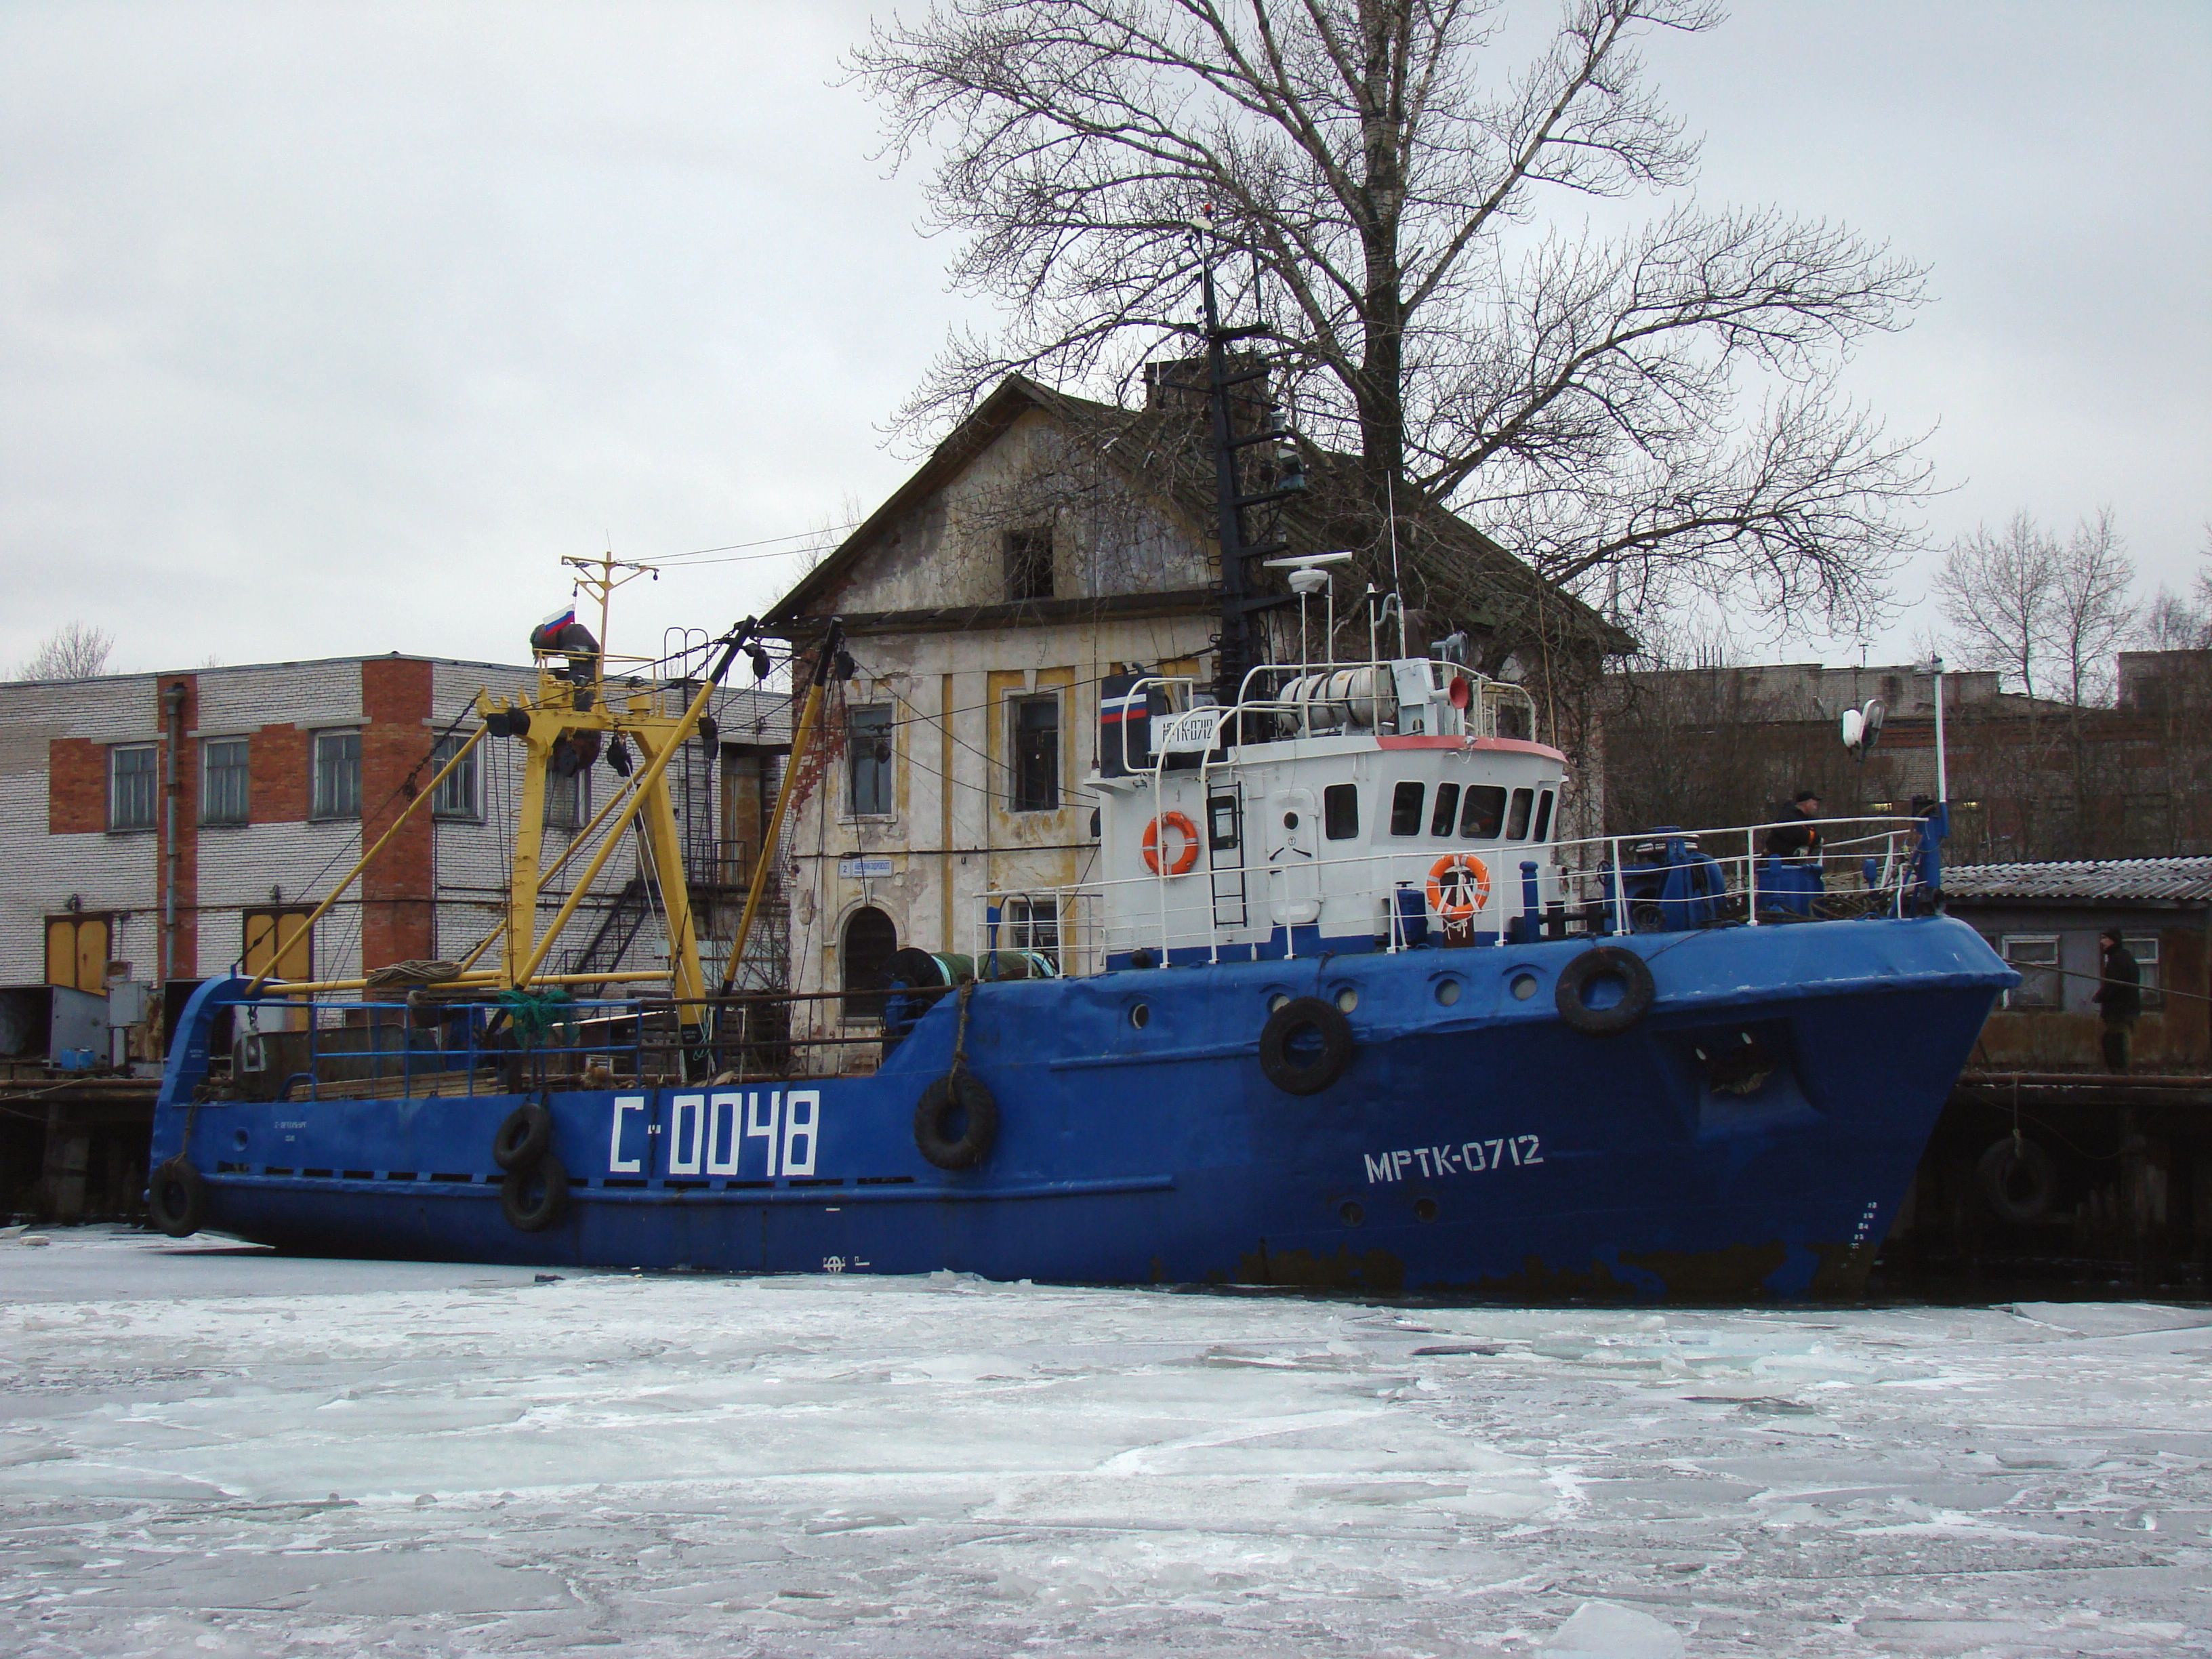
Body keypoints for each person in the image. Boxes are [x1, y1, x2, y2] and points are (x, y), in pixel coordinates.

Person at [2093, 928, 2142, 1073]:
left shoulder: (2118, 959)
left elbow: (2114, 984)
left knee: (2115, 1043)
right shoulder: (2126, 957)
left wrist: (2100, 996)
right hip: (2127, 1010)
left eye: (2105, 938)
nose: (2102, 942)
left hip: (2119, 1012)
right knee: (2115, 1040)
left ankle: (2119, 1077)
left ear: (2113, 940)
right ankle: (2120, 1074)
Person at [1763, 790, 1824, 860]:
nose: (1816, 808)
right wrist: (1816, 839)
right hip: (1776, 861)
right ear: (1807, 803)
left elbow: (1812, 836)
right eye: (1814, 805)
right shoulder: (1788, 815)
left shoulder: (1808, 820)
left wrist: (1808, 846)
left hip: (1794, 863)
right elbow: (1796, 833)